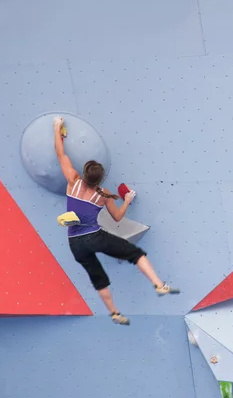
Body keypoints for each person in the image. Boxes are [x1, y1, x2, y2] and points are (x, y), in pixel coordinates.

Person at [52, 116, 179, 326]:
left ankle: (114, 313)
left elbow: (60, 153)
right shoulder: (103, 194)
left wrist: (57, 128)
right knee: (135, 254)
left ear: (84, 173)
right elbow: (118, 218)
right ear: (100, 179)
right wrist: (127, 200)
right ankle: (158, 284)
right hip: (94, 236)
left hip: (75, 242)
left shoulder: (72, 181)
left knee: (98, 277)